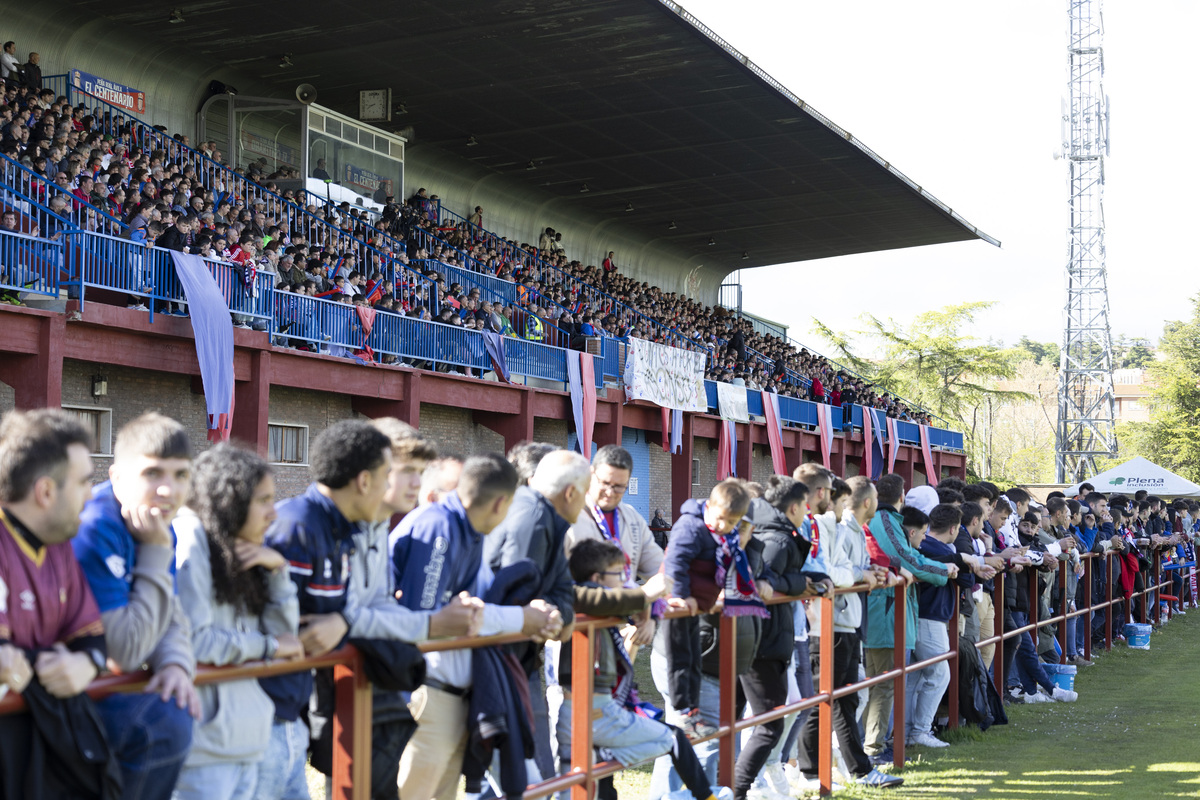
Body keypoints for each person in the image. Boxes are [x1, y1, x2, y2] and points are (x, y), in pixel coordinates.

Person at [392, 454, 561, 800]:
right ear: (501, 503)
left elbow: (475, 607)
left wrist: (530, 611)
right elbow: (429, 619)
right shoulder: (439, 525)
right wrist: (521, 619)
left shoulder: (470, 531)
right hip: (426, 692)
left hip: (453, 696)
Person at [73, 412, 199, 800]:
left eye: (181, 475)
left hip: (91, 691)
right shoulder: (95, 525)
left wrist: (176, 662)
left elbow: (170, 614)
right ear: (117, 478)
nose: (168, 490)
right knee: (161, 723)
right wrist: (157, 552)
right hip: (63, 694)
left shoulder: (160, 526)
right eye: (153, 474)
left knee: (179, 707)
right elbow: (124, 652)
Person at [173, 444, 303, 800]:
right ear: (231, 497)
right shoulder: (191, 539)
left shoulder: (243, 551)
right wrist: (269, 647)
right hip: (202, 752)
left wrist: (277, 570)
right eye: (263, 500)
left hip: (247, 741)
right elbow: (195, 641)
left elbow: (285, 634)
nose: (273, 513)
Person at [0, 410, 115, 797]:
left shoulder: (59, 547)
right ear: (46, 491)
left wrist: (85, 664)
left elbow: (91, 637)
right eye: (83, 481)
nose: (90, 491)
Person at [561, 540, 721, 800]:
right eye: (619, 575)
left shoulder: (603, 608)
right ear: (595, 578)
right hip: (597, 714)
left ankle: (607, 756)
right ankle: (707, 797)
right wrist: (645, 598)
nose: (626, 580)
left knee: (598, 785)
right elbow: (625, 599)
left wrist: (644, 610)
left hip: (590, 713)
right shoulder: (591, 601)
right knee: (674, 738)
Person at [484, 449, 586, 783]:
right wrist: (549, 617)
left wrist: (558, 616)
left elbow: (562, 589)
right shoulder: (533, 516)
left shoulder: (549, 518)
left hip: (517, 660)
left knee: (528, 775)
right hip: (498, 663)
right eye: (585, 494)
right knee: (522, 777)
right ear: (570, 493)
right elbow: (518, 595)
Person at [659, 479, 759, 739]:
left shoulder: (722, 534)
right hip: (678, 604)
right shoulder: (691, 527)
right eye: (721, 518)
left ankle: (692, 711)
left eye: (732, 522)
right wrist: (680, 596)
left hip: (698, 606)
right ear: (709, 506)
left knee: (693, 658)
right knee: (681, 657)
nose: (724, 526)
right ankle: (682, 711)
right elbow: (675, 561)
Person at [565, 445, 665, 646]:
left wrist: (652, 614)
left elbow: (662, 572)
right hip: (578, 633)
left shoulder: (633, 518)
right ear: (591, 474)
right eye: (605, 483)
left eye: (619, 486)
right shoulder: (567, 518)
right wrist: (639, 598)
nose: (610, 492)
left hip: (624, 631)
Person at [906, 504, 973, 748]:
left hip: (928, 616)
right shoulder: (931, 548)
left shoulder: (937, 547)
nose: (922, 538)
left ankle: (908, 732)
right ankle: (918, 731)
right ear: (954, 528)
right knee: (938, 673)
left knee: (914, 676)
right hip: (929, 616)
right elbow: (966, 576)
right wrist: (960, 559)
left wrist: (960, 560)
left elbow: (966, 577)